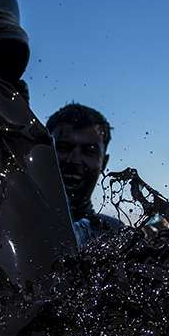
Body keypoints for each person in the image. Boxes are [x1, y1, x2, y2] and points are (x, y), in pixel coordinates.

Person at [46, 103, 121, 245]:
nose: (74, 160)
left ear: (103, 163)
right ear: (43, 154)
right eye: (63, 147)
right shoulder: (15, 220)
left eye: (88, 151)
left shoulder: (114, 235)